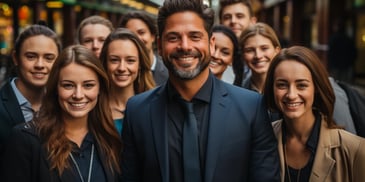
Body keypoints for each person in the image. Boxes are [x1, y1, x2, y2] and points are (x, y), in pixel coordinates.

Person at [121, 0, 280, 181]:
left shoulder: (251, 107)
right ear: (160, 45)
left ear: (211, 44)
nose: (185, 46)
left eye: (195, 36)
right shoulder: (137, 110)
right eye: (173, 38)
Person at [0, 45, 122, 181]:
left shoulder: (109, 138)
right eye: (68, 85)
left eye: (88, 85)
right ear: (55, 88)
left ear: (100, 89)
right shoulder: (26, 139)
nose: (78, 95)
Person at [263, 46, 365, 182]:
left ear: (316, 88)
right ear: (272, 88)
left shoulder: (354, 149)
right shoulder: (263, 138)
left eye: (301, 85)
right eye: (282, 85)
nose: (291, 95)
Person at [0, 24, 61, 155]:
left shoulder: (63, 104)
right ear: (16, 58)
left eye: (49, 58)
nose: (40, 65)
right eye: (31, 56)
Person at [99, 28, 155, 135]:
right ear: (105, 63)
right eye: (114, 60)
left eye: (130, 60)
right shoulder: (94, 107)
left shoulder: (155, 105)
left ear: (140, 65)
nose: (122, 68)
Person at [119, 10, 169, 85]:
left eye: (141, 32)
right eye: (130, 34)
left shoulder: (169, 74)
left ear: (152, 36)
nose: (137, 38)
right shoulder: (120, 74)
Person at [218, 0, 257, 84]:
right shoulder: (213, 56)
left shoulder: (262, 56)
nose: (233, 21)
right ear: (220, 23)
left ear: (252, 22)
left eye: (239, 16)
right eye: (227, 17)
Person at [240, 22, 281, 93]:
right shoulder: (238, 91)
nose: (258, 56)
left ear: (277, 51)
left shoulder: (287, 90)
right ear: (243, 55)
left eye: (264, 48)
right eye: (250, 50)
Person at [328, 18, 357, 83]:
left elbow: (330, 53)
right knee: (344, 83)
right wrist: (350, 62)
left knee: (335, 83)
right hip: (346, 65)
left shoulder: (333, 38)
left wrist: (330, 64)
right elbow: (354, 52)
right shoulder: (348, 38)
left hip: (335, 65)